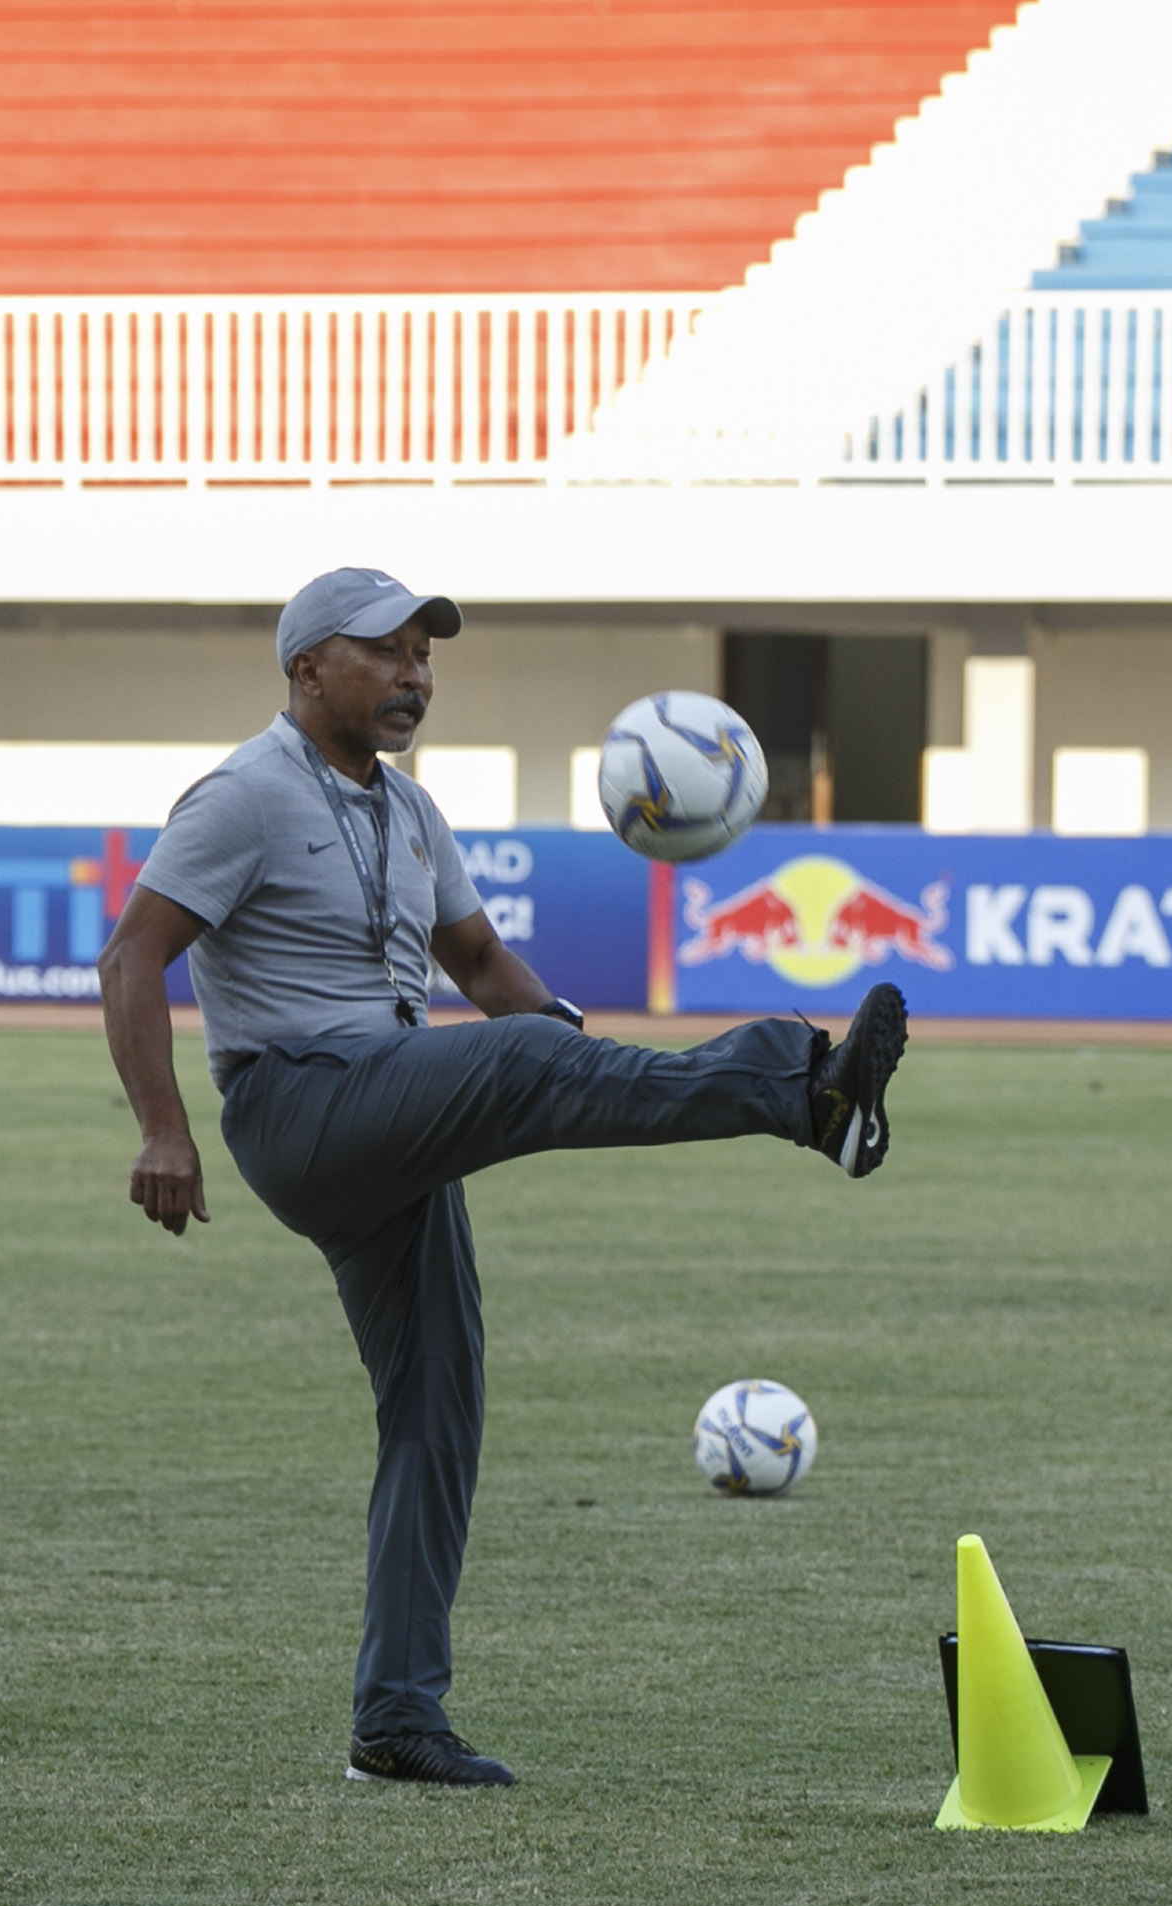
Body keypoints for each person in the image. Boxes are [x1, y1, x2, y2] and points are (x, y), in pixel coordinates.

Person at [98, 566, 907, 1787]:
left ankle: (396, 1718)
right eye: (386, 652)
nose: (415, 675)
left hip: (389, 1118)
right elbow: (130, 956)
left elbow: (482, 966)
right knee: (529, 1060)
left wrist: (589, 1077)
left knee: (438, 1416)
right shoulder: (242, 794)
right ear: (306, 667)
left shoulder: (410, 812)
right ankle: (805, 1089)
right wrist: (162, 1128)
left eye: (426, 656)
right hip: (298, 1106)